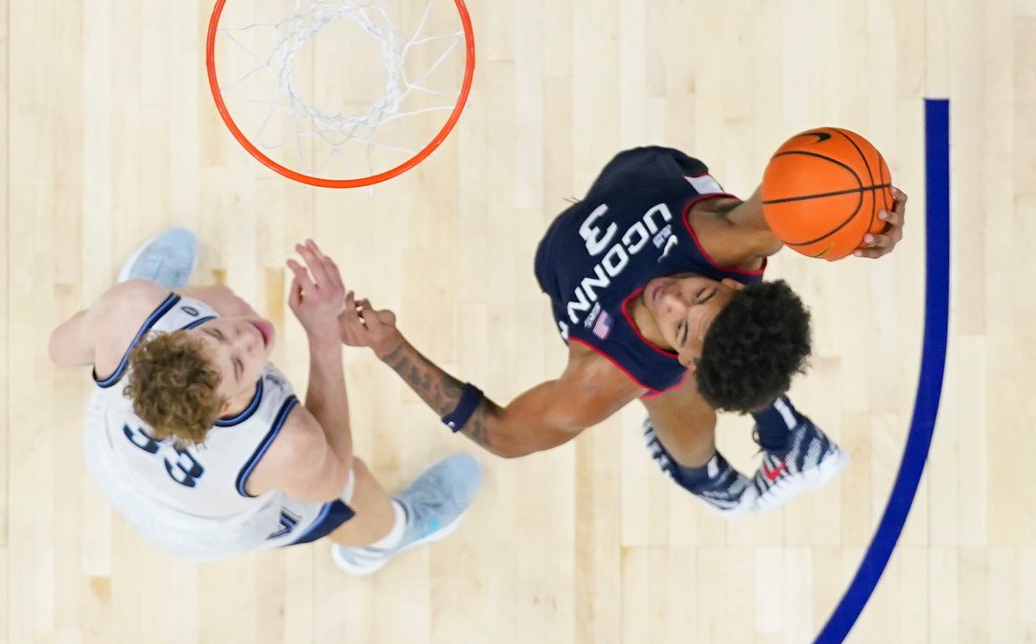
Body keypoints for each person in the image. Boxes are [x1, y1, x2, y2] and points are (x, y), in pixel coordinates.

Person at [340, 146, 907, 516]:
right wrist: (871, 218)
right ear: (732, 284)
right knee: (743, 355)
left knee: (676, 404)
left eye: (680, 327)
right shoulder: (737, 237)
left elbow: (502, 435)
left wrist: (391, 349)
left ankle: (713, 484)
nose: (671, 297)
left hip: (627, 319)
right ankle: (790, 438)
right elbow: (820, 189)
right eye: (701, 294)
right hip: (643, 176)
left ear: (686, 356)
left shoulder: (604, 375)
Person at [49, 229, 482, 570]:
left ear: (171, 338)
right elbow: (331, 482)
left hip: (110, 459)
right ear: (225, 407)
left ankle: (170, 300)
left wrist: (132, 313)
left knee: (191, 301)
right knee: (351, 486)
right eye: (240, 365)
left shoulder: (128, 309)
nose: (247, 337)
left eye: (215, 333)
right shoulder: (284, 442)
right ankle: (386, 539)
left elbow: (60, 351)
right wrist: (322, 333)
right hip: (196, 526)